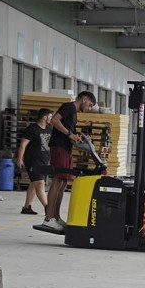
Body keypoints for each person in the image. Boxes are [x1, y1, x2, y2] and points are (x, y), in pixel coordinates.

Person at [42, 91, 96, 232]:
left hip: (66, 148)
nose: (89, 108)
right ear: (84, 99)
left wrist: (78, 136)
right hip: (59, 146)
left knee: (64, 182)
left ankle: (56, 217)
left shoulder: (73, 112)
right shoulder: (68, 106)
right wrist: (69, 134)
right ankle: (48, 219)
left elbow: (68, 128)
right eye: (90, 104)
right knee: (57, 181)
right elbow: (54, 120)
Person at [16, 108, 53, 214]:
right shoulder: (32, 129)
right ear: (45, 117)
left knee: (34, 183)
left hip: (44, 161)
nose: (51, 118)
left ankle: (26, 207)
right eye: (50, 116)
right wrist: (19, 158)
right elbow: (23, 144)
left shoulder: (48, 130)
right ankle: (48, 208)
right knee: (40, 184)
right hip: (33, 160)